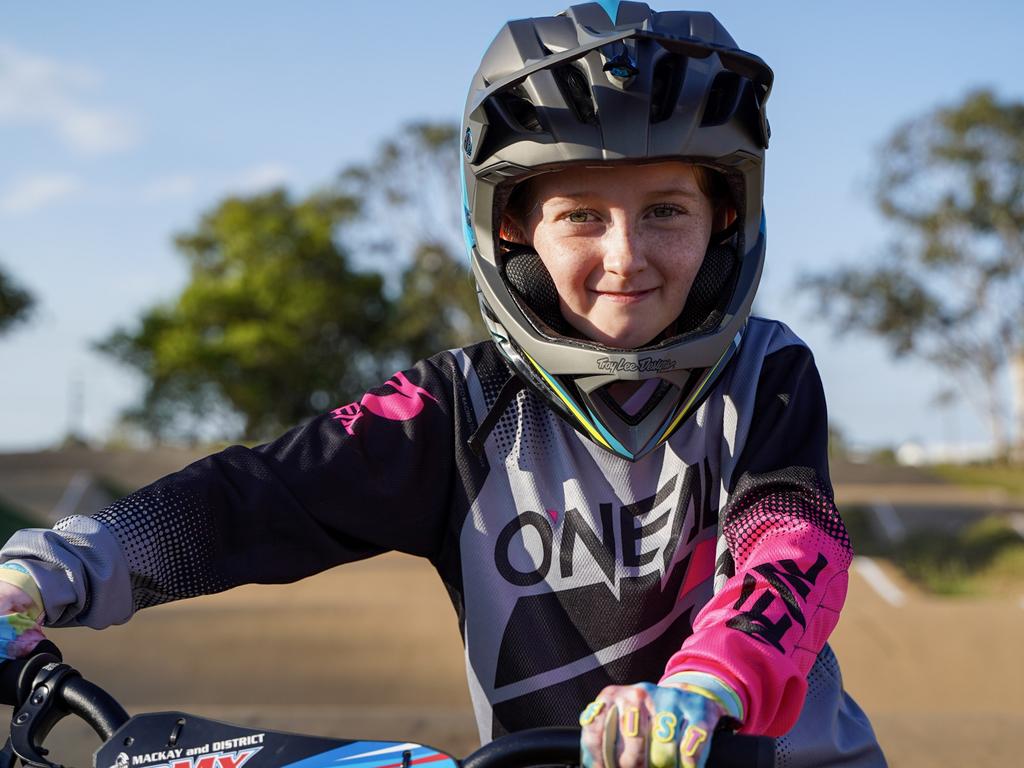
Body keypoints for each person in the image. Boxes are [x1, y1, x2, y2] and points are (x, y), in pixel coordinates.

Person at [0, 3, 886, 767]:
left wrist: (710, 680)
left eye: (666, 210)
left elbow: (793, 541)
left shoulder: (764, 373)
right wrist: (41, 579)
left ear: (726, 222)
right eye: (580, 215)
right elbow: (254, 499)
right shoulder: (459, 409)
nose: (627, 256)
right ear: (512, 233)